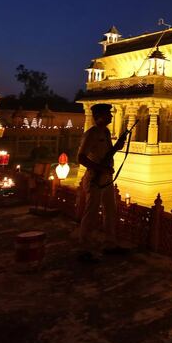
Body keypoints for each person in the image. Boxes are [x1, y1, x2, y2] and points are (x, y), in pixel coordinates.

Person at [76, 103, 130, 262]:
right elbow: (81, 157)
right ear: (100, 116)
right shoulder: (91, 134)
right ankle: (84, 248)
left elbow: (108, 153)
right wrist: (100, 168)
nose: (111, 116)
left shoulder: (105, 132)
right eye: (108, 114)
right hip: (95, 177)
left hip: (106, 179)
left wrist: (118, 146)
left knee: (110, 211)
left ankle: (110, 244)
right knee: (91, 213)